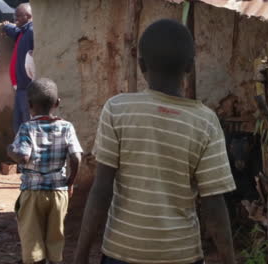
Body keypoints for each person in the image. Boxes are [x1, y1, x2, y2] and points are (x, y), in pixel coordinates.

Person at [74, 19, 237, 264]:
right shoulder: (205, 122)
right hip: (181, 255)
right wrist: (230, 260)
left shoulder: (117, 110)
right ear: (190, 67)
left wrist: (81, 255)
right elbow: (214, 204)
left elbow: (101, 190)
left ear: (141, 65)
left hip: (121, 252)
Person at [7, 78, 82, 264]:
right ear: (57, 103)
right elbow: (76, 157)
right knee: (56, 240)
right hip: (59, 192)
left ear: (30, 105)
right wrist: (70, 183)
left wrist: (9, 150)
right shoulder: (67, 127)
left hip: (32, 193)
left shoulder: (27, 128)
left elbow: (23, 156)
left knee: (32, 243)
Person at [2, 3, 34, 133]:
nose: (15, 20)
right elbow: (14, 30)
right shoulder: (23, 31)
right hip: (20, 88)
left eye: (18, 16)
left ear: (28, 16)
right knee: (19, 125)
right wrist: (5, 26)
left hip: (28, 88)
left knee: (27, 125)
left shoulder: (32, 32)